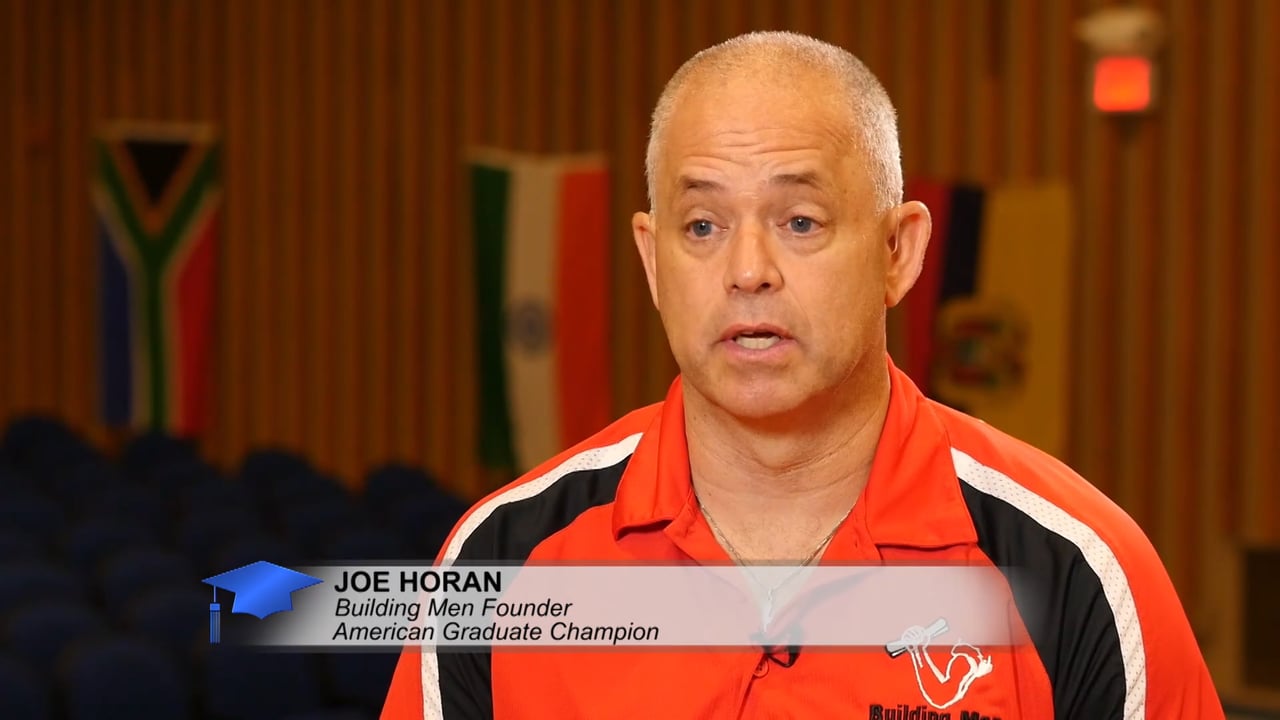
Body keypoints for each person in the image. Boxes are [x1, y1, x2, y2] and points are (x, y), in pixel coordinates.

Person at [381, 31, 1223, 719]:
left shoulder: (1079, 569)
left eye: (801, 221)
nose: (748, 271)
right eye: (702, 225)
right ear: (652, 260)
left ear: (898, 252)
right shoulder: (501, 559)